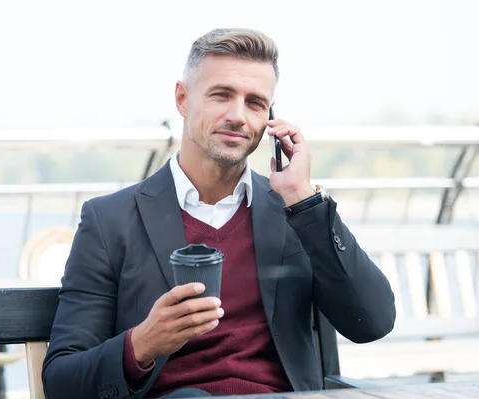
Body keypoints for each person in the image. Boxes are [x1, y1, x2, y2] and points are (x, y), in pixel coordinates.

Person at [42, 28, 396, 399]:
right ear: (183, 98)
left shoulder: (294, 213)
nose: (237, 116)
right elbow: (62, 381)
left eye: (255, 103)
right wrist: (142, 344)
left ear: (270, 119)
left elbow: (372, 322)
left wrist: (301, 196)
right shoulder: (109, 220)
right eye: (221, 95)